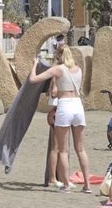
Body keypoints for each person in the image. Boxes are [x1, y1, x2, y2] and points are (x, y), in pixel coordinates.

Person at [29, 45, 91, 193]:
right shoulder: (78, 70)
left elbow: (33, 79)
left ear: (59, 56)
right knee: (81, 149)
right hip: (78, 106)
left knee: (63, 150)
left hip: (65, 106)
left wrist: (35, 65)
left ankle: (66, 185)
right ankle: (87, 185)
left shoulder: (58, 69)